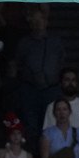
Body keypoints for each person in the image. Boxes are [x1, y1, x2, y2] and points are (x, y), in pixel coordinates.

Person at [13, 10, 64, 150]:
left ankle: (50, 155)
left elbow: (61, 61)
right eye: (34, 21)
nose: (37, 23)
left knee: (51, 123)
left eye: (40, 20)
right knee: (31, 124)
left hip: (51, 89)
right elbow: (19, 64)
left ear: (46, 21)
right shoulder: (24, 42)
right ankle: (33, 157)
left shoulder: (55, 42)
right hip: (30, 89)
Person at [43, 71, 79, 151]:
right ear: (61, 83)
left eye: (73, 80)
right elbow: (47, 133)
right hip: (59, 156)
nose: (70, 83)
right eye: (67, 80)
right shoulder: (52, 106)